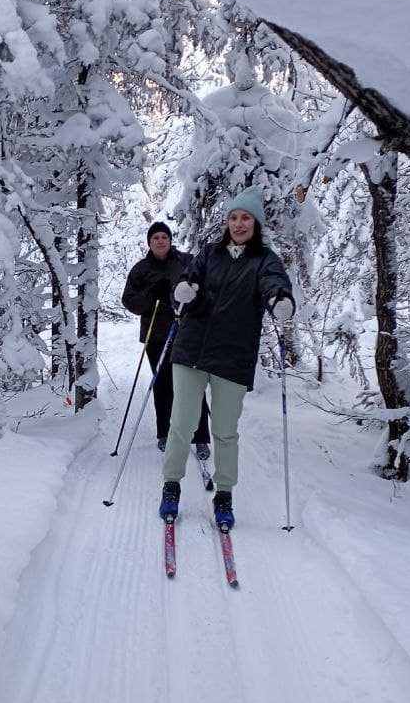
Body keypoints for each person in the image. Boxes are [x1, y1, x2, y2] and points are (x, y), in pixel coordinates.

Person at [159, 188, 294, 530]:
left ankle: (224, 494)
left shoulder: (265, 260)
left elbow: (273, 282)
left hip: (232, 356)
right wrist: (185, 288)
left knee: (224, 431)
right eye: (234, 217)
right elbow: (190, 276)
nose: (238, 223)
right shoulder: (209, 253)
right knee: (182, 424)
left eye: (245, 217)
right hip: (191, 350)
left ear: (256, 223)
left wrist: (279, 298)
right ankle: (171, 485)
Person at [121, 221, 211, 455]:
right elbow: (129, 301)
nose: (160, 241)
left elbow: (205, 290)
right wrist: (151, 295)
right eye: (155, 238)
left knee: (191, 385)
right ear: (149, 243)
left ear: (170, 240)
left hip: (187, 334)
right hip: (156, 335)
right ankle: (164, 433)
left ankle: (200, 437)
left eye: (164, 236)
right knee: (162, 385)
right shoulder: (141, 269)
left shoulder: (186, 262)